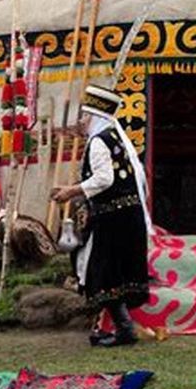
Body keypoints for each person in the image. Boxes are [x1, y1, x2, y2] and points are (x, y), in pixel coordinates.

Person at [51, 84, 151, 347]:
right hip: (125, 215)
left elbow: (105, 179)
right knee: (109, 270)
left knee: (102, 271)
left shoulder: (98, 141)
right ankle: (122, 327)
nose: (81, 122)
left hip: (113, 218)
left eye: (85, 117)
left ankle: (125, 330)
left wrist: (71, 191)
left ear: (95, 117)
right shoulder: (115, 138)